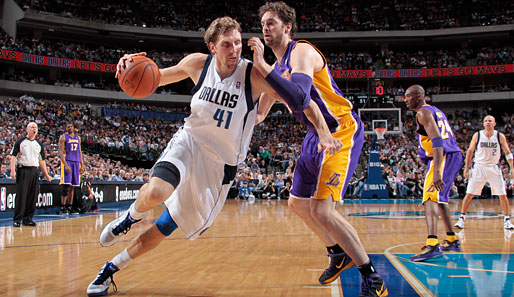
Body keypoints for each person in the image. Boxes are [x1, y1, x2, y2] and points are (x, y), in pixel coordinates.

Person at [87, 16, 341, 297]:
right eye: (226, 45)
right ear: (212, 47)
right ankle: (128, 219)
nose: (234, 50)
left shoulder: (253, 75)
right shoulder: (197, 64)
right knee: (157, 191)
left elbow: (301, 101)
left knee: (164, 226)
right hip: (190, 142)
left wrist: (323, 131)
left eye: (237, 43)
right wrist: (128, 64)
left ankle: (110, 268)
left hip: (219, 166)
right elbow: (155, 76)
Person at [248, 2, 388, 296]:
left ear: (287, 27)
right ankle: (337, 252)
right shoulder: (275, 68)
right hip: (316, 134)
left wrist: (261, 66)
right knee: (298, 203)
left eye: (271, 22)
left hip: (340, 131)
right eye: (262, 24)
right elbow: (259, 114)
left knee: (322, 209)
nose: (265, 28)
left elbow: (299, 97)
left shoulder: (302, 52)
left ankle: (371, 277)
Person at [404, 85, 463, 261]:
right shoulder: (434, 110)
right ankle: (452, 239)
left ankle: (432, 243)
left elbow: (438, 141)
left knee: (430, 197)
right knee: (439, 198)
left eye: (408, 96)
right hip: (449, 156)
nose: (405, 99)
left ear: (420, 96)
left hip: (444, 156)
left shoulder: (422, 112)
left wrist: (436, 170)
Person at [454, 115, 514, 230]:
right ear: (483, 123)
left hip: (493, 167)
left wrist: (512, 167)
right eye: (486, 121)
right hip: (479, 167)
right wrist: (466, 168)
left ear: (494, 123)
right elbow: (470, 151)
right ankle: (461, 218)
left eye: (490, 121)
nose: (488, 123)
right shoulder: (478, 135)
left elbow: (507, 152)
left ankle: (507, 219)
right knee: (469, 193)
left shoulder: (499, 136)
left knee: (503, 194)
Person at [9, 122, 52, 227]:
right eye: (32, 127)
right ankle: (17, 219)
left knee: (32, 196)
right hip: (23, 170)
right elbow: (13, 156)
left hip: (35, 171)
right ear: (27, 129)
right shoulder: (20, 142)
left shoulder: (39, 145)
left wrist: (46, 175)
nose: (34, 129)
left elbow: (42, 161)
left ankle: (28, 219)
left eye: (36, 127)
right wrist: (12, 170)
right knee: (21, 195)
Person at [58, 123, 83, 214]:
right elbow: (60, 152)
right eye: (67, 126)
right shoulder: (63, 137)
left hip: (76, 162)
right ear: (65, 128)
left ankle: (69, 206)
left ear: (73, 127)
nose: (69, 128)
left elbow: (80, 151)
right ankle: (62, 207)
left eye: (71, 126)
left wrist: (82, 164)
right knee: (66, 185)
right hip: (68, 161)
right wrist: (65, 165)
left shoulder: (78, 138)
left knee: (73, 186)